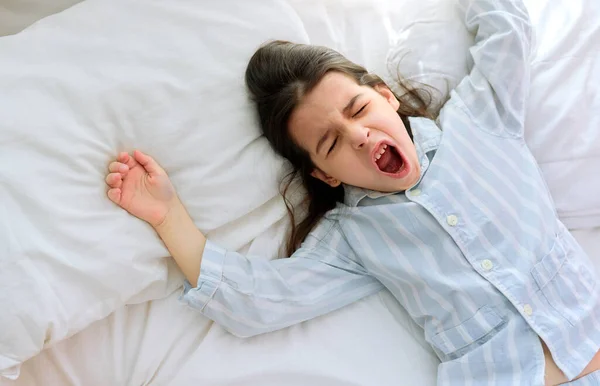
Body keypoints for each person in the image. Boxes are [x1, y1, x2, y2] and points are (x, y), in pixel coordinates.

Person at [104, 0, 600, 384]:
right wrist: (167, 216)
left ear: (385, 96)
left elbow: (507, 32)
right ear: (324, 175)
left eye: (358, 110)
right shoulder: (356, 237)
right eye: (331, 143)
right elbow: (259, 300)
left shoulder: (478, 123)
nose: (359, 135)